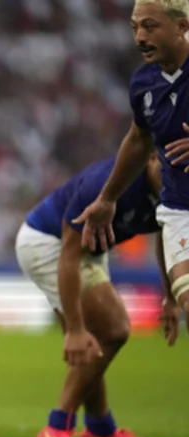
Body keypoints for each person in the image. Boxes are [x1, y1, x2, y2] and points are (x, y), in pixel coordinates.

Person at [16, 154, 166, 437]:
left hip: (90, 248)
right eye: (168, 165)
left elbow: (167, 232)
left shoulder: (175, 187)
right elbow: (69, 254)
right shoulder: (107, 185)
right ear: (150, 158)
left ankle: (100, 427)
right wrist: (74, 328)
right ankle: (56, 426)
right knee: (113, 330)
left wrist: (171, 300)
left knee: (97, 340)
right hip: (49, 243)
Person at [73, 1, 188, 338]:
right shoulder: (144, 83)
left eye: (150, 27)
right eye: (135, 27)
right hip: (180, 206)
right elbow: (139, 140)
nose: (139, 36)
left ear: (182, 27)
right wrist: (108, 198)